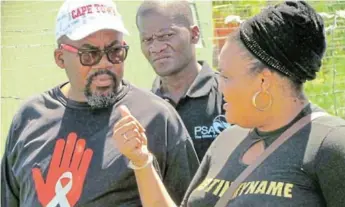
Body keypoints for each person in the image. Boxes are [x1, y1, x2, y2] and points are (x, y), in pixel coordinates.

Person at [113, 1, 345, 206]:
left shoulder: (331, 144)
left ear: (263, 81)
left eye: (226, 76)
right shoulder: (227, 142)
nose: (219, 87)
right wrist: (142, 161)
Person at [1, 0, 199, 206]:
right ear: (60, 58)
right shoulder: (29, 118)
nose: (104, 63)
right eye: (89, 55)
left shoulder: (156, 118)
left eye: (115, 51)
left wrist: (142, 162)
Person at [136, 0, 229, 160]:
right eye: (147, 40)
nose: (156, 47)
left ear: (194, 34)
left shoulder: (228, 95)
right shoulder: (142, 109)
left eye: (166, 36)